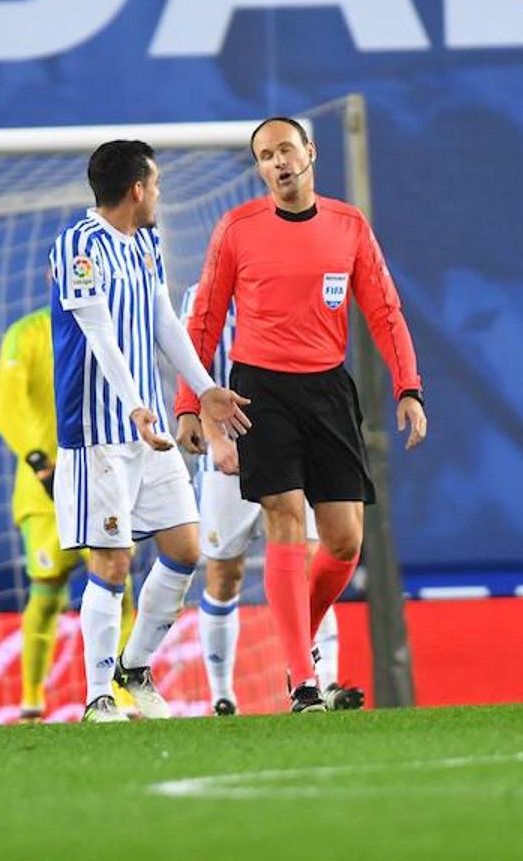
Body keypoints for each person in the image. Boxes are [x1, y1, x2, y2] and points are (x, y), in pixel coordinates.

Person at [176, 116, 427, 713]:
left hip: (327, 390)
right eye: (265, 156)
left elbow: (385, 311)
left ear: (310, 152)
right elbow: (204, 318)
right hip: (260, 392)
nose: (278, 162)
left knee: (343, 542)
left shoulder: (348, 225)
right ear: (260, 167)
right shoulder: (236, 228)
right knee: (285, 519)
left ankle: (298, 643)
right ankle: (303, 679)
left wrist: (409, 388)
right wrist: (191, 404)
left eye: (286, 150)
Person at [48, 139, 250, 723]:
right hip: (98, 430)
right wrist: (136, 404)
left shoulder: (147, 241)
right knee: (111, 563)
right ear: (137, 189)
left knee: (186, 547)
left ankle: (134, 669)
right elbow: (99, 337)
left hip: (148, 428)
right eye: (156, 184)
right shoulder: (78, 247)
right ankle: (97, 697)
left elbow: (164, 318)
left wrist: (205, 386)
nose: (159, 193)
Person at [178, 284, 363, 715]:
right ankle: (222, 694)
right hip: (233, 453)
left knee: (307, 563)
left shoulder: (298, 283)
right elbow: (194, 364)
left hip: (293, 452)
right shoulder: (202, 296)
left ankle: (324, 680)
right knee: (225, 576)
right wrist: (214, 436)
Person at [0, 306, 139, 722]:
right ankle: (31, 701)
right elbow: (9, 407)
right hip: (44, 489)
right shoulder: (26, 334)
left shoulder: (110, 329)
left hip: (100, 478)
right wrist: (38, 458)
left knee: (118, 585)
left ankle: (121, 697)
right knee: (47, 588)